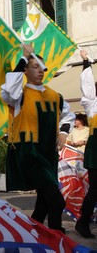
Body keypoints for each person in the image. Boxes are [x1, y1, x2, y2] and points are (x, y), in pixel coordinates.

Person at [1, 44, 75, 233]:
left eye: (41, 66)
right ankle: (57, 238)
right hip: (29, 153)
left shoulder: (54, 96)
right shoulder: (19, 95)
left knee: (43, 203)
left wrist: (63, 133)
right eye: (35, 66)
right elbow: (9, 89)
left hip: (48, 154)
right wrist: (24, 58)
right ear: (25, 70)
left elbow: (68, 116)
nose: (40, 70)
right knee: (57, 202)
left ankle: (30, 235)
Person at [75, 50, 97, 238]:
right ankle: (82, 223)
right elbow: (87, 84)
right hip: (96, 150)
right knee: (95, 190)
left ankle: (84, 222)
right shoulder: (93, 103)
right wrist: (86, 62)